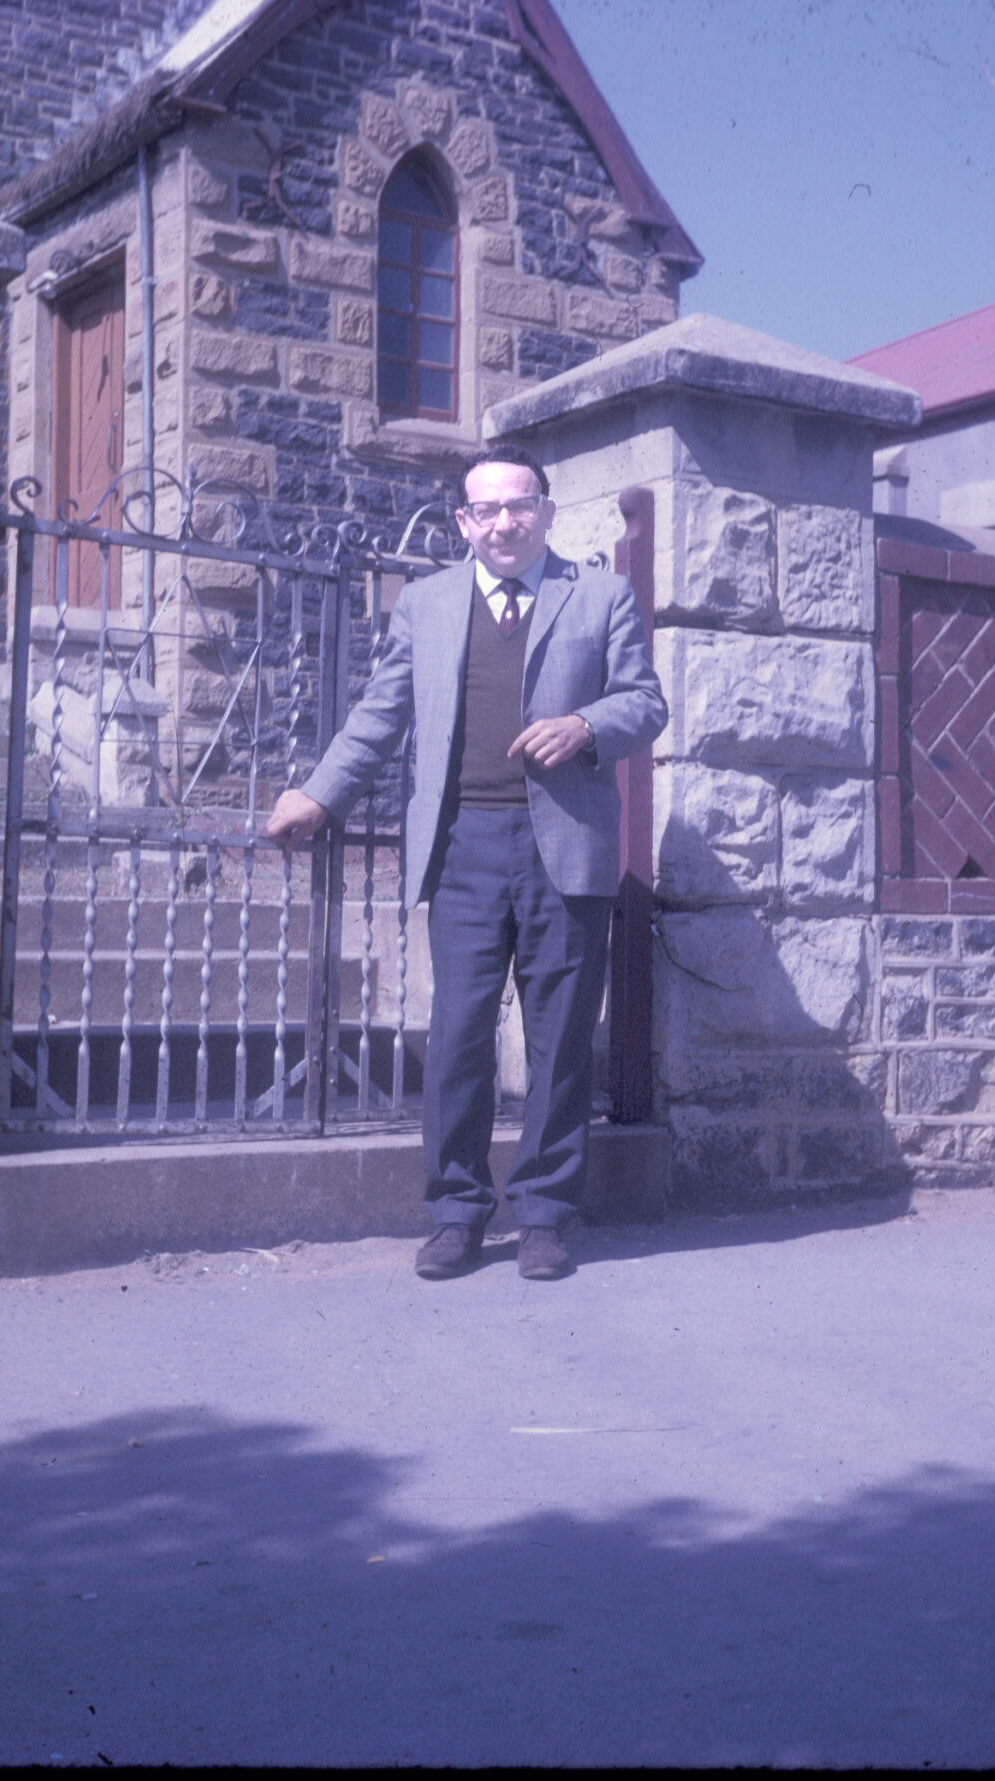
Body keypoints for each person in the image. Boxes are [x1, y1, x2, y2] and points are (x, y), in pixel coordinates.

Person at [263, 447, 667, 1281]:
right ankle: (455, 1210)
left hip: (565, 848)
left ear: (546, 513)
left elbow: (644, 701)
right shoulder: (429, 603)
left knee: (560, 1043)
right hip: (464, 848)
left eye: (518, 505)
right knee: (456, 1036)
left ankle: (547, 1215)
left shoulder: (599, 596)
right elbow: (381, 714)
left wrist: (586, 727)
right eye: (485, 511)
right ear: (463, 523)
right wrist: (319, 793)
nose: (503, 523)